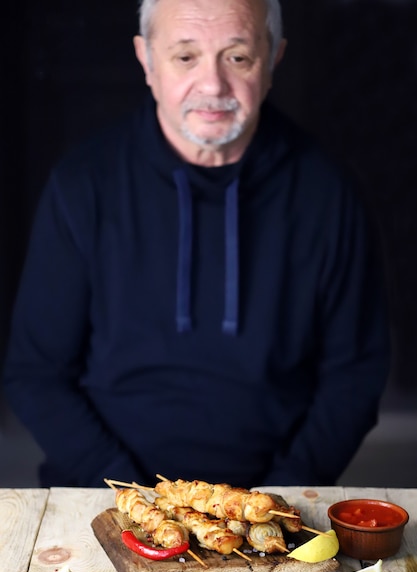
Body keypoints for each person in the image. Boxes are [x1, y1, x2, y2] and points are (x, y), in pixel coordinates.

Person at [3, 0, 390, 489]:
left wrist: (278, 496)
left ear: (273, 60)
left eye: (237, 57)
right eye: (186, 57)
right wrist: (134, 495)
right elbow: (35, 374)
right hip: (103, 494)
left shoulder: (329, 193)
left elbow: (354, 377)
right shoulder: (82, 185)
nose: (212, 85)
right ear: (146, 61)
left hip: (275, 500)